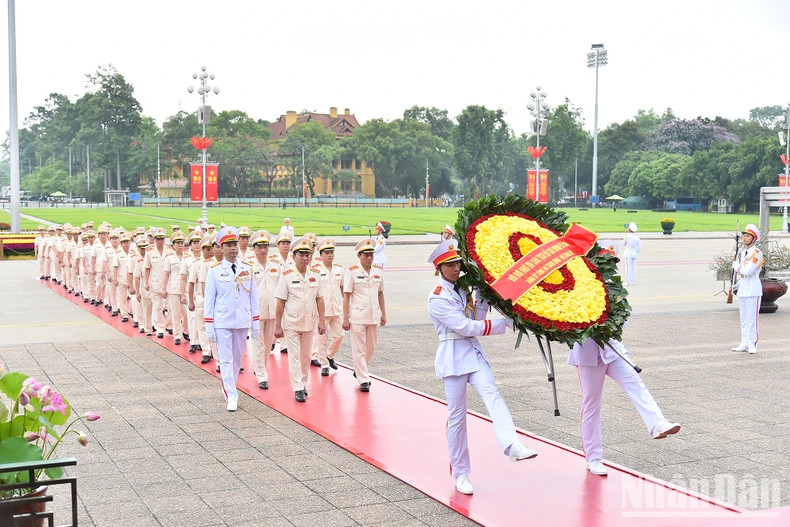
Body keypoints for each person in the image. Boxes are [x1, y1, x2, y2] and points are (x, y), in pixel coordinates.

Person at [427, 239, 537, 496]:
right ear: (439, 268)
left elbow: (475, 318)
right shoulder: (437, 298)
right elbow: (465, 327)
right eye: (449, 265)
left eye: (457, 263)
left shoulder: (463, 290)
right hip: (453, 356)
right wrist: (503, 324)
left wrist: (482, 297)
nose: (456, 268)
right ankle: (461, 473)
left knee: (493, 395)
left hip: (472, 354)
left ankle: (512, 444)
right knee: (457, 417)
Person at [569, 337, 681, 476]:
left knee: (635, 384)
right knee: (591, 404)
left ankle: (657, 424)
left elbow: (621, 323)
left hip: (613, 350)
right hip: (587, 356)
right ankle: (593, 458)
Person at [204, 227, 260, 412]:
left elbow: (253, 298)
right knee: (226, 359)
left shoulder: (247, 269)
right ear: (221, 248)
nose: (233, 248)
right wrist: (209, 326)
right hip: (222, 321)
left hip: (242, 320)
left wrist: (255, 322)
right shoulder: (214, 271)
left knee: (237, 359)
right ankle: (232, 395)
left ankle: (229, 386)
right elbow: (209, 301)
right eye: (228, 245)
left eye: (235, 244)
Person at [274, 237, 326, 402]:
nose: (304, 258)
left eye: (307, 255)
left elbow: (320, 299)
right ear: (294, 257)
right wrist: (277, 325)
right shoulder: (286, 276)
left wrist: (322, 321)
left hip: (309, 322)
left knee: (306, 356)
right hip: (292, 323)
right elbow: (280, 302)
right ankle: (297, 387)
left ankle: (303, 383)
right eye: (301, 255)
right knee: (295, 356)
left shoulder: (315, 275)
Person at [342, 239, 386, 392]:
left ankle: (360, 369)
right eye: (366, 255)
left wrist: (383, 313)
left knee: (371, 346)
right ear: (359, 256)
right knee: (358, 348)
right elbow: (346, 295)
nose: (369, 258)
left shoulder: (377, 271)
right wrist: (345, 317)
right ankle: (363, 379)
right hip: (358, 315)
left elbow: (380, 293)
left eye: (371, 255)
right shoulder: (352, 271)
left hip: (373, 314)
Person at [249, 230, 278, 389]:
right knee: (257, 344)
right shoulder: (249, 267)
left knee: (268, 345)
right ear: (254, 249)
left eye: (265, 246)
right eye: (259, 247)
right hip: (256, 312)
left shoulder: (275, 266)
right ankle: (261, 375)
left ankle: (261, 367)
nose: (263, 250)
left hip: (272, 311)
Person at [313, 239, 345, 375]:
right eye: (327, 253)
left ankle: (329, 355)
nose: (330, 255)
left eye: (331, 252)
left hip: (336, 308)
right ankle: (324, 364)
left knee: (340, 335)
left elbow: (343, 288)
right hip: (322, 310)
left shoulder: (339, 269)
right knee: (322, 339)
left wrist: (347, 307)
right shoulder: (315, 270)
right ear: (321, 255)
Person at [731, 224, 763, 354]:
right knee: (743, 318)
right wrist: (736, 285)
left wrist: (736, 266)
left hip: (753, 289)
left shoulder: (757, 253)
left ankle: (752, 344)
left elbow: (748, 271)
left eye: (748, 236)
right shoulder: (743, 253)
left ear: (754, 239)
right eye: (744, 236)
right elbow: (742, 273)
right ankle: (744, 342)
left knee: (752, 319)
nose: (744, 238)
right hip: (743, 288)